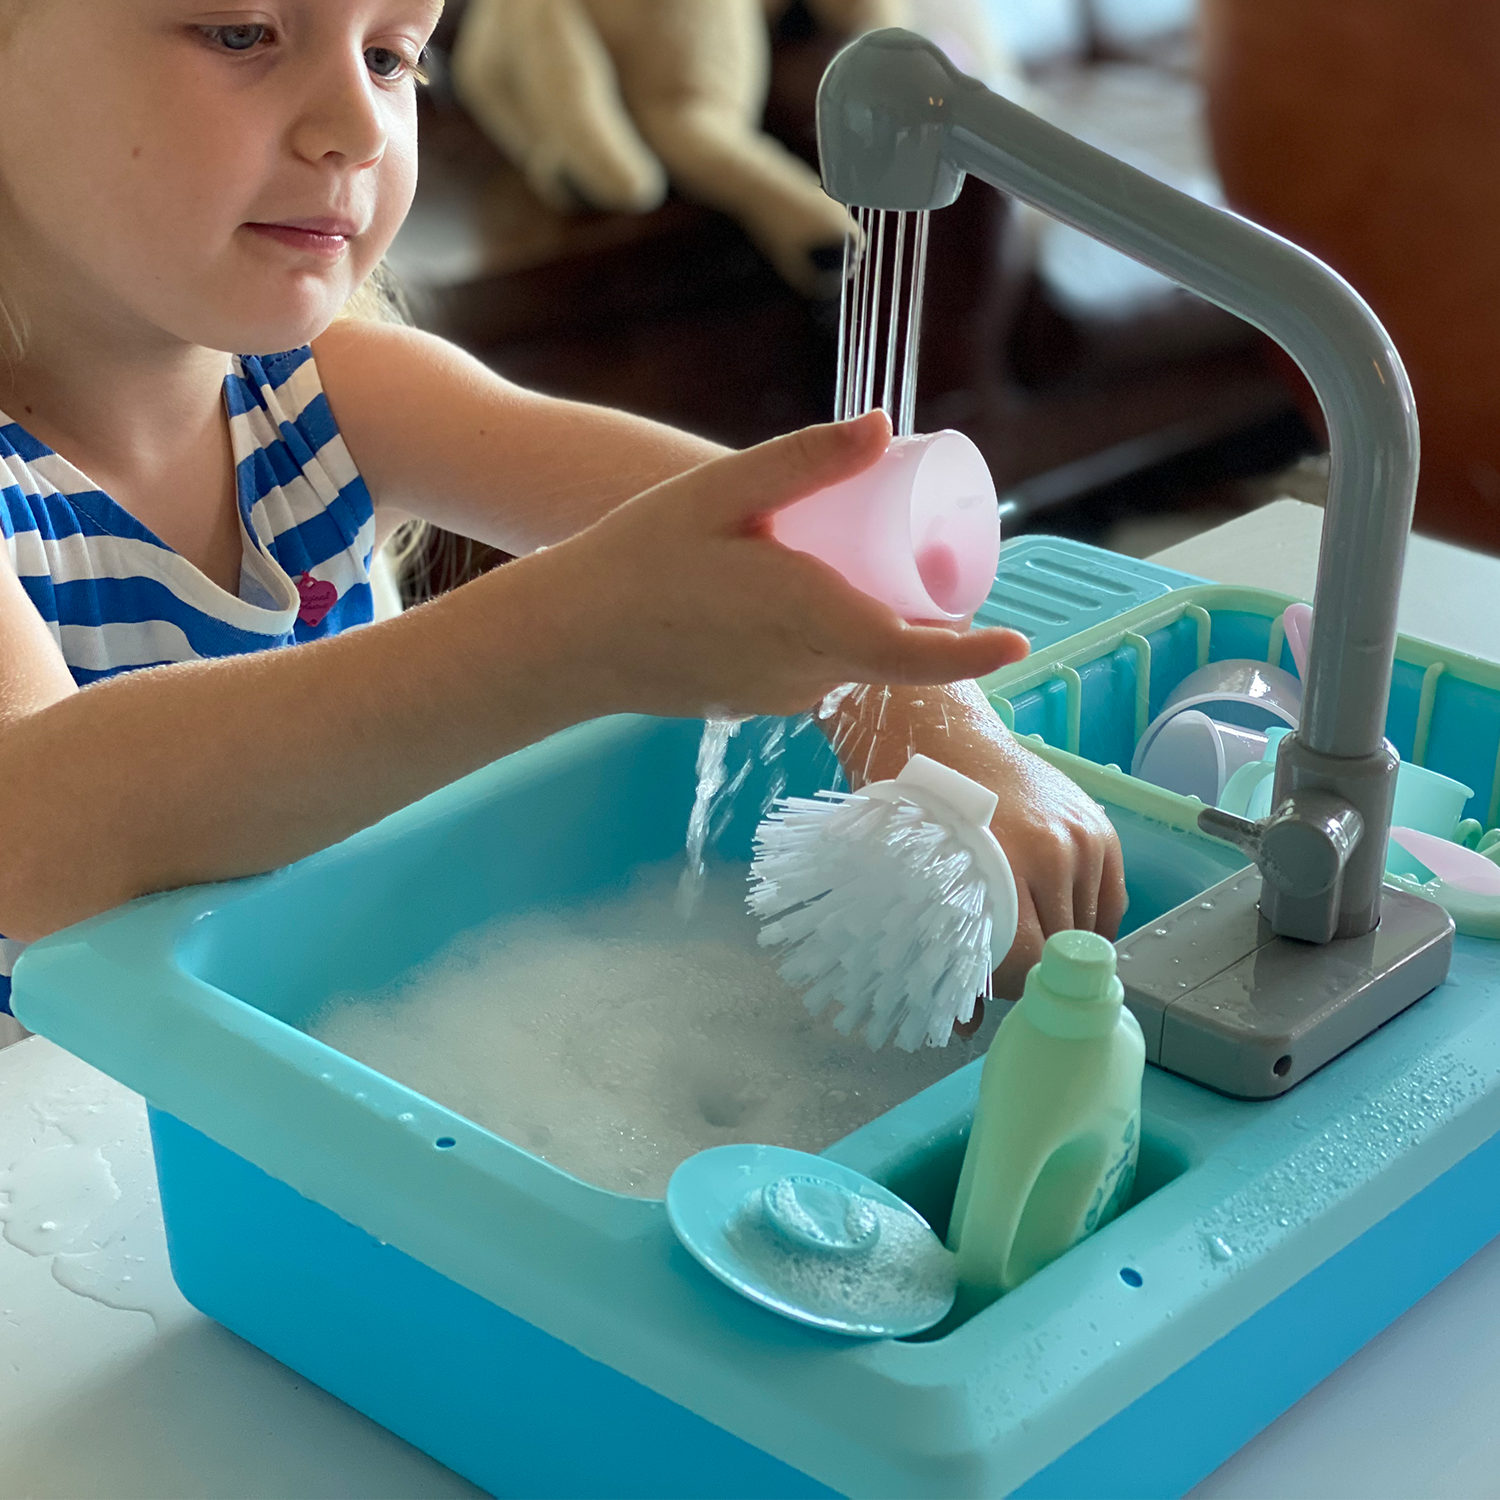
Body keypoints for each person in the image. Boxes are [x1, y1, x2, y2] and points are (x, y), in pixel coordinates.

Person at [0, 0, 1124, 1021]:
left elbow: (764, 528)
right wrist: (565, 638)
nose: (359, 125)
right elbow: (35, 831)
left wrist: (945, 731)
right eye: (242, 33)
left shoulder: (323, 396)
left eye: (390, 56)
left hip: (286, 1049)